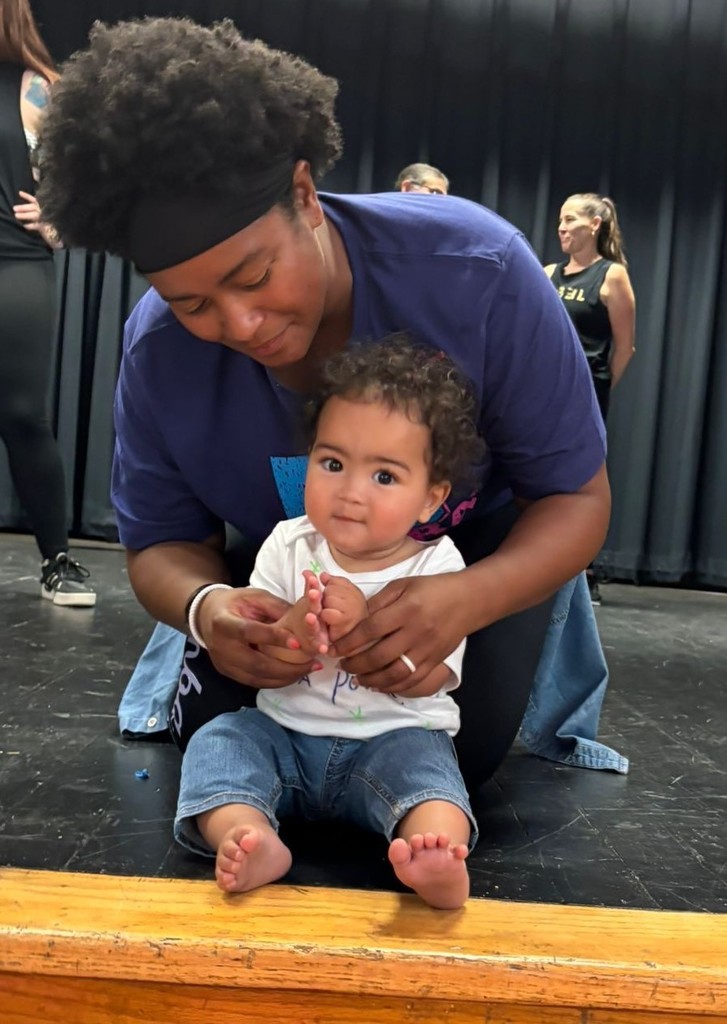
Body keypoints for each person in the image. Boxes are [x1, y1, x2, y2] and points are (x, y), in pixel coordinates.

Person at [39, 17, 611, 796]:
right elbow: (162, 546)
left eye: (253, 276)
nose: (239, 326)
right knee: (218, 753)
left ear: (305, 197)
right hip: (285, 567)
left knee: (446, 759)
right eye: (192, 302)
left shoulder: (475, 271)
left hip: (470, 555)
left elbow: (576, 497)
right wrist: (208, 610)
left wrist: (466, 599)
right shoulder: (160, 351)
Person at [176, 337, 482, 909]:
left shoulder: (438, 564)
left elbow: (431, 670)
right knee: (221, 741)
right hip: (285, 737)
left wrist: (363, 624)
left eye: (384, 477)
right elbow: (262, 647)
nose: (350, 491)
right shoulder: (288, 544)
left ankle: (434, 856)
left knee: (431, 775)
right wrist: (292, 627)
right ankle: (250, 835)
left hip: (391, 740)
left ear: (430, 497)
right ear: (308, 460)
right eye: (333, 463)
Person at [0, 0, 95, 606]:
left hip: (14, 259)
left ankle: (57, 559)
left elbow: (81, 179)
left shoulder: (40, 88)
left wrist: (59, 221)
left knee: (22, 413)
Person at [544, 194, 636, 604]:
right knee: (539, 476)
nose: (561, 228)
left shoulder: (611, 275)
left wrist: (597, 389)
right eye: (560, 221)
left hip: (586, 395)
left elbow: (625, 347)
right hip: (545, 394)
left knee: (581, 481)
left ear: (594, 224)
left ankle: (584, 572)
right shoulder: (548, 274)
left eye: (569, 220)